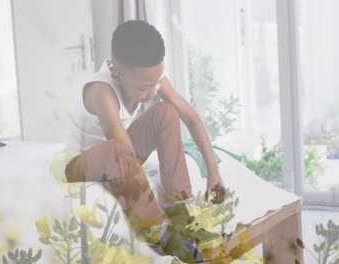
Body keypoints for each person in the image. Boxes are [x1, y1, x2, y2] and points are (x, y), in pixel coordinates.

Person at [64, 20, 227, 263]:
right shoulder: (101, 92)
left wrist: (213, 171)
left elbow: (190, 117)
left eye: (156, 82)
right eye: (144, 88)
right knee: (117, 150)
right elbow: (125, 156)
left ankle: (181, 213)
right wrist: (151, 210)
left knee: (168, 111)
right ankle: (160, 233)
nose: (152, 92)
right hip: (84, 165)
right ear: (118, 76)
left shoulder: (149, 79)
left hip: (120, 157)